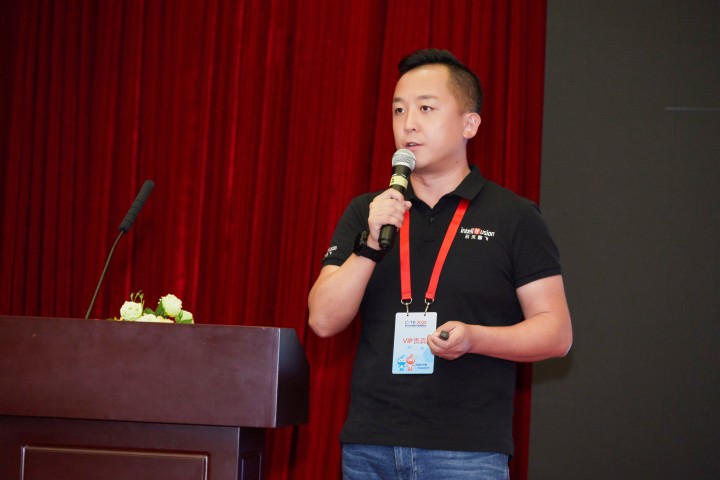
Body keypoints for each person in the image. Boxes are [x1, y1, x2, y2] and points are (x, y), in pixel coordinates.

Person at [308, 48, 572, 480]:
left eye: (426, 108)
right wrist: (370, 244)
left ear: (470, 124)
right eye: (398, 110)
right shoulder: (368, 212)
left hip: (466, 452)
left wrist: (474, 338)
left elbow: (556, 333)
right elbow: (322, 320)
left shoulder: (513, 216)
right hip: (370, 447)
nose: (408, 123)